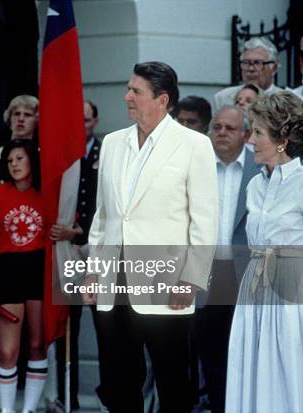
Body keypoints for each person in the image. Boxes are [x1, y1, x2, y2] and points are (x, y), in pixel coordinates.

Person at [84, 61, 219, 413]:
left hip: (168, 282)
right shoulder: (113, 143)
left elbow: (204, 220)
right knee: (118, 380)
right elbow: (104, 215)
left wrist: (191, 278)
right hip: (114, 282)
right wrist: (93, 269)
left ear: (162, 100)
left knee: (172, 380)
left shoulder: (194, 145)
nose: (127, 96)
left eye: (136, 91)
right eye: (128, 88)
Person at [226, 91, 303, 413]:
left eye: (258, 132)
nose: (251, 140)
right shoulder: (255, 184)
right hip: (254, 287)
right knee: (250, 365)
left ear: (282, 137)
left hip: (291, 290)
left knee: (286, 365)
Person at [193, 105, 260, 413]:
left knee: (243, 357)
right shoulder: (196, 166)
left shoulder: (260, 169)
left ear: (246, 135)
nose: (221, 133)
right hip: (203, 277)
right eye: (217, 127)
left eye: (229, 128)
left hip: (245, 277)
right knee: (209, 356)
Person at [0, 139, 48, 413]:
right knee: (7, 350)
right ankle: (7, 410)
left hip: (39, 269)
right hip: (6, 269)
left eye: (19, 158)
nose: (14, 164)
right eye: (9, 161)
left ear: (32, 160)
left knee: (37, 344)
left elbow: (68, 227)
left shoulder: (47, 193)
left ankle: (29, 408)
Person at [52, 99, 102, 411]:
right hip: (66, 250)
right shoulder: (61, 153)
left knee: (105, 325)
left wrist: (83, 233)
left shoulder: (106, 152)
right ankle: (66, 396)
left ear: (94, 122)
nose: (81, 126)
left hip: (97, 248)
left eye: (86, 120)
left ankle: (109, 394)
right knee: (66, 325)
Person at [214, 37, 282, 111]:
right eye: (246, 62)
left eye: (258, 63)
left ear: (274, 69)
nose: (251, 69)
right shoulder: (223, 98)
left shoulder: (287, 101)